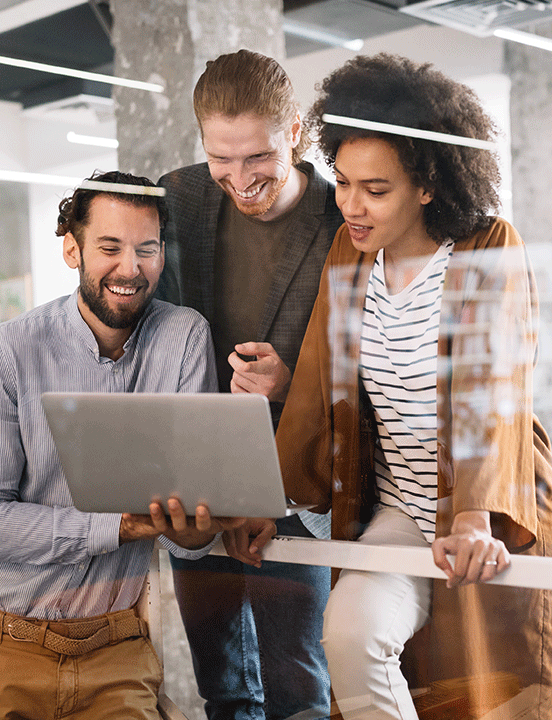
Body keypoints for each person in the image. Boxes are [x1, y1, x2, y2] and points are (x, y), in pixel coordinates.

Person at [276, 53, 552, 719]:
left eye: (376, 189)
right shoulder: (350, 250)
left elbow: (493, 388)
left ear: (427, 185)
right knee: (349, 634)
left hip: (495, 508)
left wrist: (471, 515)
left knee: (503, 692)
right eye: (342, 183)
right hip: (400, 507)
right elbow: (318, 379)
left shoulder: (488, 243)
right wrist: (266, 500)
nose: (351, 205)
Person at [0, 170, 273, 719]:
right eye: (109, 248)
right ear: (72, 250)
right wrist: (125, 525)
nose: (130, 269)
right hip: (11, 645)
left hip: (120, 650)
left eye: (147, 249)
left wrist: (203, 525)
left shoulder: (185, 336)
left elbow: (184, 537)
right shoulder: (13, 350)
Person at [156, 49, 342, 720]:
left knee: (298, 689)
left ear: (294, 129)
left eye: (257, 157)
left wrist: (291, 385)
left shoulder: (341, 222)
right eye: (221, 159)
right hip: (201, 491)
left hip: (296, 492)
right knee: (223, 689)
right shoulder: (177, 199)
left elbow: (372, 371)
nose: (240, 179)